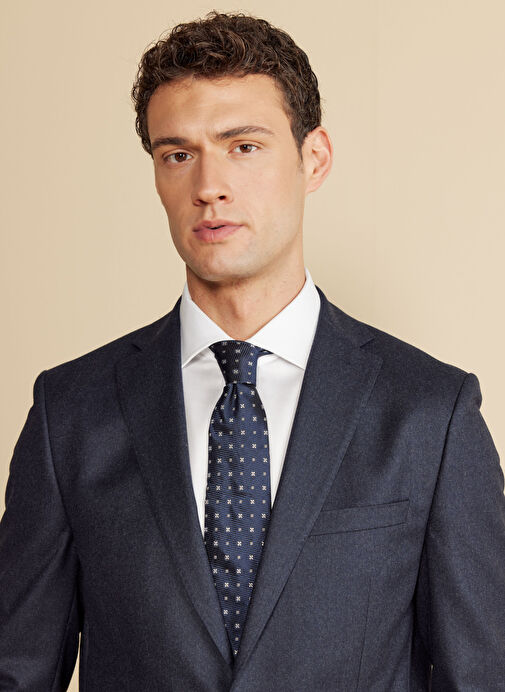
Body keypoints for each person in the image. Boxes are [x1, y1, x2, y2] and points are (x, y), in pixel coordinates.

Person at [0, 10, 504, 690]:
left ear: (313, 159)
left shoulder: (430, 413)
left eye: (243, 146)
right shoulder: (70, 415)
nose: (209, 186)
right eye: (178, 155)